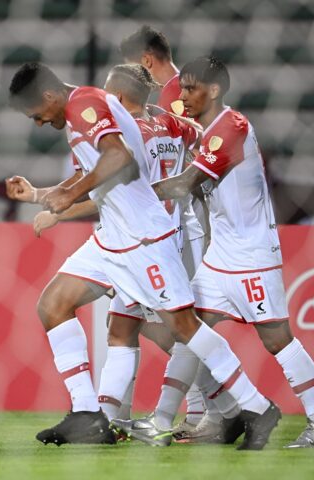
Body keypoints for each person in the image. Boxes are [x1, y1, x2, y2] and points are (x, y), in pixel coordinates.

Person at [7, 62, 280, 450]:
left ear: (48, 96)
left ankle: (255, 407)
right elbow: (96, 171)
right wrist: (41, 193)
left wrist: (67, 197)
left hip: (145, 239)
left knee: (184, 328)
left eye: (35, 114)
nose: (37, 122)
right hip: (112, 240)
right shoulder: (81, 109)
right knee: (53, 304)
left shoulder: (85, 103)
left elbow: (119, 158)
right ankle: (87, 414)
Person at [144, 56, 314, 448]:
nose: (183, 95)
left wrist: (133, 192)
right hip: (219, 256)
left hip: (252, 255)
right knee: (186, 329)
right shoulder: (205, 131)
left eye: (191, 88)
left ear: (214, 90)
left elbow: (185, 184)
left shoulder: (232, 127)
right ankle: (173, 419)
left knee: (277, 340)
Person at [29, 64, 208, 443]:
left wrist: (57, 210)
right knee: (123, 330)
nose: (106, 101)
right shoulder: (169, 123)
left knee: (174, 333)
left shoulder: (128, 131)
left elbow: (103, 191)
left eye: (111, 96)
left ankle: (220, 408)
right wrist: (193, 182)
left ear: (122, 99)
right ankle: (107, 418)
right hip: (164, 233)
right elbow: (205, 141)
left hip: (140, 242)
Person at [120, 25, 214, 434]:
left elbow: (188, 155)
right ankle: (202, 411)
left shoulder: (171, 97)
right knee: (163, 322)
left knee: (177, 325)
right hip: (177, 218)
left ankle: (223, 407)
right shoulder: (180, 92)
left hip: (175, 223)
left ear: (144, 60)